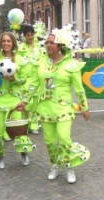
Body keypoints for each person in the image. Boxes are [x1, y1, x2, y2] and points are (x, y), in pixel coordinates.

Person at [18, 29, 90, 184]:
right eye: (47, 42)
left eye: (52, 43)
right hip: (45, 108)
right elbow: (34, 85)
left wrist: (85, 107)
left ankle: (69, 166)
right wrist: (24, 101)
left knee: (64, 137)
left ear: (60, 46)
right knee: (50, 141)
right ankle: (55, 164)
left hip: (63, 108)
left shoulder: (71, 65)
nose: (48, 45)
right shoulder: (41, 62)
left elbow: (79, 88)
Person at [0, 32, 34, 170]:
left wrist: (15, 79)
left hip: (15, 98)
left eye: (9, 41)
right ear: (1, 43)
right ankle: (0, 157)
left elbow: (25, 78)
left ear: (13, 43)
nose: (6, 43)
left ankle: (23, 153)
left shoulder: (20, 60)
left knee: (19, 128)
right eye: (4, 41)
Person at [17, 25, 43, 135]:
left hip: (36, 77)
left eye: (32, 34)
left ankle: (34, 124)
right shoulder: (20, 48)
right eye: (28, 35)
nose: (30, 37)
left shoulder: (39, 48)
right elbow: (17, 61)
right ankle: (25, 123)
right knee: (27, 101)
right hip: (25, 78)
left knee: (36, 102)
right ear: (24, 36)